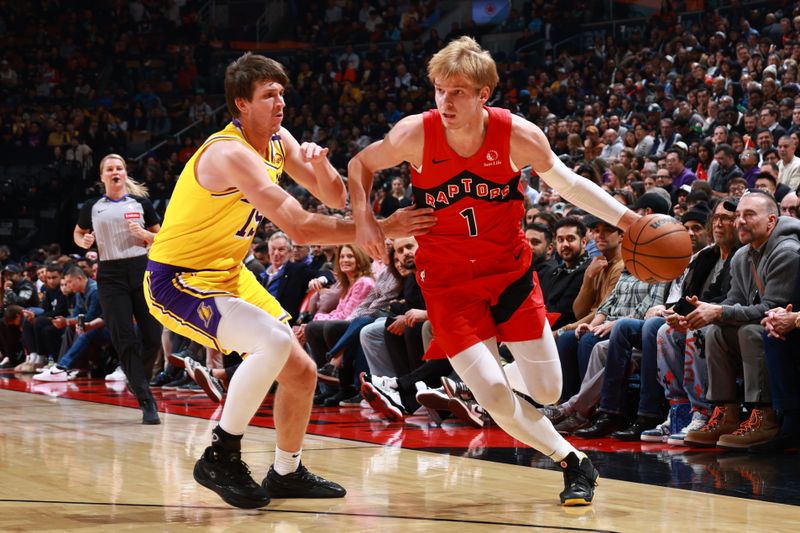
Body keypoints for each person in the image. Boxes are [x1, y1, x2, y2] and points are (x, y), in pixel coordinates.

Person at [347, 37, 639, 506]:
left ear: (485, 94)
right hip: (447, 284)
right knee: (494, 398)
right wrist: (364, 217)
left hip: (508, 275)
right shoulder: (415, 134)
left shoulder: (517, 135)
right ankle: (573, 462)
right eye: (440, 89)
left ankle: (485, 379)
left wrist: (629, 220)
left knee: (548, 389)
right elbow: (360, 163)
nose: (446, 99)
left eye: (458, 90)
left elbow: (567, 183)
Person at [143, 52, 434, 509]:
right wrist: (384, 226)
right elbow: (297, 228)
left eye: (282, 93)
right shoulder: (229, 153)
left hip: (229, 273)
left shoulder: (279, 139)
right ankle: (220, 454)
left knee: (299, 369)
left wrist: (320, 168)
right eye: (267, 96)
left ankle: (286, 471)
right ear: (241, 104)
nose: (280, 103)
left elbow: (336, 196)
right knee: (272, 343)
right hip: (177, 279)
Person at [73, 154, 164, 425]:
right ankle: (146, 399)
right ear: (102, 177)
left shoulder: (142, 203)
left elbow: (162, 237)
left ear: (125, 173)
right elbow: (78, 234)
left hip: (141, 269)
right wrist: (84, 241)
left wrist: (147, 236)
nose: (115, 172)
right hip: (110, 274)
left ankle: (138, 381)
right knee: (124, 337)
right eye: (110, 169)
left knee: (153, 335)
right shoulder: (92, 206)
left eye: (120, 168)